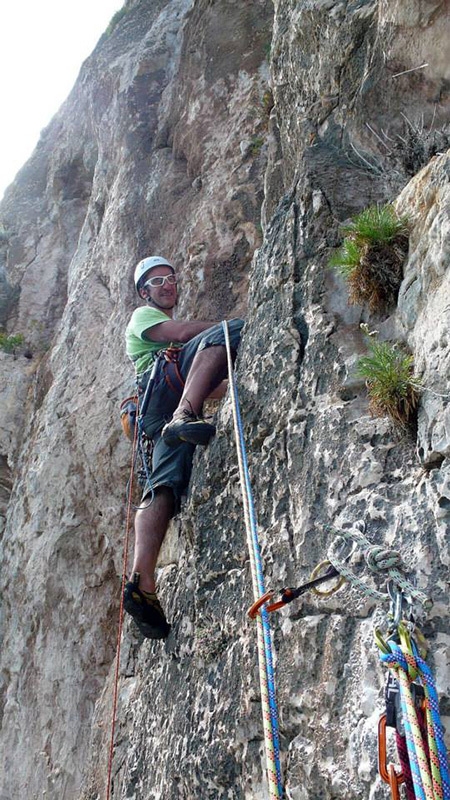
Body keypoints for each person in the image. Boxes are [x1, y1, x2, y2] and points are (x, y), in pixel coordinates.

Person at [123, 255, 244, 639]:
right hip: (164, 395)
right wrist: (227, 329)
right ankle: (185, 415)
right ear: (145, 292)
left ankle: (142, 582)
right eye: (158, 281)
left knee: (163, 487)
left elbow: (209, 379)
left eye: (171, 278)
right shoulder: (142, 317)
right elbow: (183, 334)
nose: (167, 284)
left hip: (157, 415)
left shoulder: (162, 328)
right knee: (228, 332)